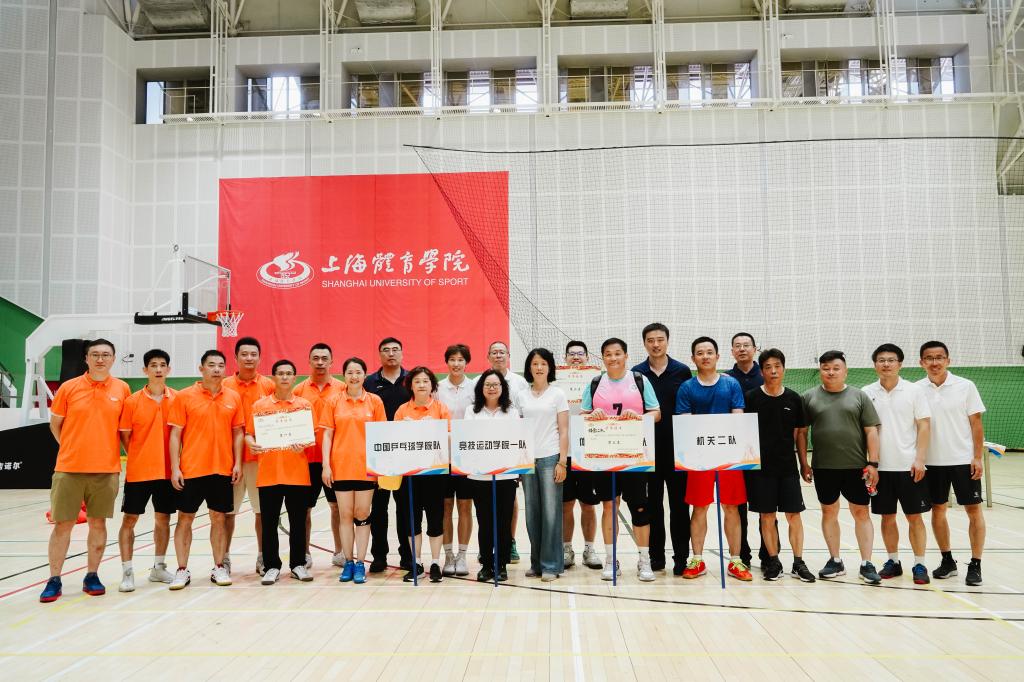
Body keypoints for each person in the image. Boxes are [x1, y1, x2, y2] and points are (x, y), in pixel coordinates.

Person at [39, 339, 131, 603]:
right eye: (95, 355)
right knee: (63, 525)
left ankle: (92, 575)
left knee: (98, 523)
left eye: (106, 355)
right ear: (86, 359)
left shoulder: (122, 389)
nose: (100, 359)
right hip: (69, 469)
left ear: (113, 359)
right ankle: (54, 579)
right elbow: (55, 425)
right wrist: (71, 447)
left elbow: (124, 430)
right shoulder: (68, 388)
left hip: (106, 470)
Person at [798, 350, 882, 584]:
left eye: (836, 368)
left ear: (845, 371)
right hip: (824, 467)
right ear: (820, 371)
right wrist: (804, 463)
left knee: (861, 512)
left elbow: (871, 431)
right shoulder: (808, 397)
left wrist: (873, 463)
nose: (831, 372)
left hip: (856, 467)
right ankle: (835, 560)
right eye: (826, 368)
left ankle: (867, 563)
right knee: (829, 511)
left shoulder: (859, 396)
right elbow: (802, 433)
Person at [582, 338, 661, 582]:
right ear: (603, 358)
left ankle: (644, 560)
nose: (613, 358)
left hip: (634, 455)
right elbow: (583, 415)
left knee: (639, 507)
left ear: (626, 356)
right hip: (604, 457)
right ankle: (611, 559)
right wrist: (592, 415)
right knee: (609, 506)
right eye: (608, 354)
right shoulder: (595, 383)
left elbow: (656, 413)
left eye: (617, 353)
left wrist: (638, 418)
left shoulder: (639, 380)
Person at [673, 337, 751, 581]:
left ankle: (736, 561)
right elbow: (685, 424)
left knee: (732, 507)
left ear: (717, 356)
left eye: (709, 352)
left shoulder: (731, 384)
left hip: (729, 457)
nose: (705, 356)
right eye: (700, 353)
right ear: (693, 358)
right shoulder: (687, 388)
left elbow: (738, 417)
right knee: (700, 507)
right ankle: (697, 560)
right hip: (699, 458)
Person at [167, 350, 244, 590]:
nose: (217, 369)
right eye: (211, 365)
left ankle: (219, 566)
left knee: (219, 518)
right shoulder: (184, 396)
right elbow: (175, 434)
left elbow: (238, 432)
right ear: (202, 369)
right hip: (191, 469)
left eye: (221, 365)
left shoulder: (233, 397)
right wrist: (175, 467)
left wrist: (238, 463)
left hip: (222, 469)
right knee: (185, 518)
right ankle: (182, 569)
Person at [742, 348, 815, 582]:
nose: (773, 371)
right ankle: (773, 561)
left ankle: (798, 562)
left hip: (788, 469)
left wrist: (804, 464)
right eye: (768, 367)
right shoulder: (751, 398)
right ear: (761, 371)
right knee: (767, 516)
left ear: (784, 369)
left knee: (794, 515)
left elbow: (801, 434)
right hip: (760, 470)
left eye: (777, 366)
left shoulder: (794, 398)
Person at [917, 341, 986, 586]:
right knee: (938, 510)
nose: (934, 362)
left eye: (939, 357)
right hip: (932, 463)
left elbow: (976, 424)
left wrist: (977, 457)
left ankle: (975, 564)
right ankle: (947, 560)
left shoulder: (965, 386)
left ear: (948, 360)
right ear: (921, 362)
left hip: (963, 461)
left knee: (973, 510)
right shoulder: (916, 390)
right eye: (929, 358)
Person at [863, 343, 932, 584]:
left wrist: (920, 459)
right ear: (875, 365)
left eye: (891, 360)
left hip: (909, 466)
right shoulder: (866, 392)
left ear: (900, 364)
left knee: (915, 517)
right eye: (881, 360)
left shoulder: (914, 391)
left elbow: (924, 425)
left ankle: (920, 564)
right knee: (887, 517)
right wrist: (870, 464)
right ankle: (893, 561)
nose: (886, 364)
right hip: (880, 468)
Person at [245, 359, 315, 585]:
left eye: (288, 373)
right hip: (269, 474)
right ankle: (271, 566)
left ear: (295, 377)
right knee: (268, 523)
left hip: (297, 475)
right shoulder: (260, 406)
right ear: (273, 377)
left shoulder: (304, 405)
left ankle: (298, 564)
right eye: (280, 373)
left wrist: (304, 444)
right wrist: (251, 443)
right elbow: (249, 434)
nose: (284, 377)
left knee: (298, 522)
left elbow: (310, 436)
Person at [632, 323, 692, 575]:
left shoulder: (682, 371)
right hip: (648, 451)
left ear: (667, 341)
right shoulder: (636, 374)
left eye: (660, 339)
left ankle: (682, 558)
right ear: (644, 343)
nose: (655, 344)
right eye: (650, 340)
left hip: (678, 451)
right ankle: (656, 557)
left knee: (680, 507)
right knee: (653, 505)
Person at [320, 357, 386, 585]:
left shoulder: (375, 401)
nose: (354, 376)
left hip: (366, 468)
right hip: (341, 467)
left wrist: (379, 468)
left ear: (365, 375)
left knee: (362, 513)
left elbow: (381, 437)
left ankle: (360, 562)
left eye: (358, 372)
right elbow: (327, 435)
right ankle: (348, 561)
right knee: (345, 515)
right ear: (344, 376)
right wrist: (326, 465)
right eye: (350, 372)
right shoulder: (333, 401)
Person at [116, 349, 178, 592]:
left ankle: (158, 568)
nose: (158, 369)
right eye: (153, 365)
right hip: (139, 472)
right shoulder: (131, 402)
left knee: (163, 519)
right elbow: (125, 437)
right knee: (129, 519)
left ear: (168, 369)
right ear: (145, 370)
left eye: (163, 365)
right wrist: (141, 455)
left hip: (167, 472)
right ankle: (127, 571)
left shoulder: (178, 399)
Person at [222, 336, 275, 576]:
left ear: (260, 357)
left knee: (261, 512)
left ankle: (263, 557)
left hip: (259, 460)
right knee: (227, 513)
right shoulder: (224, 385)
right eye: (244, 354)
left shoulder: (269, 386)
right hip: (229, 460)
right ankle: (223, 558)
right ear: (236, 357)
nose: (249, 358)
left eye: (253, 354)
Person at [394, 366, 452, 583]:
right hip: (410, 475)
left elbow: (449, 439)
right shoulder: (402, 411)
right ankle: (417, 562)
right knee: (413, 519)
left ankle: (435, 563)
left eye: (425, 381)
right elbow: (395, 442)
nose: (421, 385)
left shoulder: (441, 409)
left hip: (435, 474)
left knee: (435, 519)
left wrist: (435, 429)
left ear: (432, 385)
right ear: (410, 385)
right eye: (417, 381)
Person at [517, 347, 570, 581]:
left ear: (550, 367)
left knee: (551, 513)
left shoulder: (557, 394)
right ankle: (536, 563)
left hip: (551, 457)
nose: (539, 367)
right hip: (528, 459)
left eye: (543, 364)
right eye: (535, 363)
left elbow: (564, 430)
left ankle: (551, 564)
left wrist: (562, 462)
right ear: (529, 367)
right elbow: (517, 429)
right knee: (532, 513)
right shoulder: (521, 396)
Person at [464, 369, 520, 582]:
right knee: (485, 522)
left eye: (496, 384)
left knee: (504, 522)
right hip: (480, 476)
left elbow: (517, 440)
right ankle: (486, 564)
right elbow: (469, 439)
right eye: (488, 385)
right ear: (481, 388)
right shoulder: (472, 411)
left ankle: (502, 564)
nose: (492, 388)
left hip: (506, 475)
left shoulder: (511, 412)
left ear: (503, 388)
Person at [293, 342, 345, 569]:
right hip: (305, 460)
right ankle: (304, 554)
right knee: (305, 509)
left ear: (332, 361)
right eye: (316, 358)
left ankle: (340, 551)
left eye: (325, 358)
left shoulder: (342, 389)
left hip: (333, 460)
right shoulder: (298, 390)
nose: (320, 362)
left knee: (337, 507)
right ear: (309, 361)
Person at [366, 337, 413, 573]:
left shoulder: (412, 379)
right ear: (380, 354)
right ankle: (379, 556)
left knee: (405, 508)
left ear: (402, 353)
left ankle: (407, 555)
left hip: (406, 456)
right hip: (379, 456)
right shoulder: (369, 382)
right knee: (378, 509)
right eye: (386, 350)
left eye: (395, 349)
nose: (391, 353)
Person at [561, 340, 602, 570]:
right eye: (571, 354)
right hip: (563, 453)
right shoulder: (556, 382)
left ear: (587, 357)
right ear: (565, 358)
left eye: (580, 353)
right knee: (566, 505)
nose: (576, 357)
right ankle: (566, 549)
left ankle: (589, 549)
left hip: (589, 451)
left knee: (588, 504)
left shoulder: (596, 381)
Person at [437, 343, 477, 576]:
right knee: (445, 506)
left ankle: (462, 555)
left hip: (466, 457)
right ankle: (448, 555)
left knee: (464, 506)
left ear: (466, 363)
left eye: (460, 359)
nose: (456, 364)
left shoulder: (474, 388)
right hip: (442, 458)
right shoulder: (437, 388)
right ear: (447, 362)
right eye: (452, 359)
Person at [488, 340, 529, 563]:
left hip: (511, 450)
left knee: (510, 498)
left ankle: (509, 542)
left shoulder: (520, 383)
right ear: (488, 357)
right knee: (486, 502)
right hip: (486, 450)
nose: (498, 356)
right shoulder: (480, 382)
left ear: (509, 356)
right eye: (494, 352)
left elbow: (523, 417)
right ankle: (489, 545)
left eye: (502, 352)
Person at [727, 332, 763, 567]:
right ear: (732, 352)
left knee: (765, 507)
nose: (742, 349)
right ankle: (742, 555)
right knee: (737, 507)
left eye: (746, 345)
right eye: (737, 346)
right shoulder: (726, 379)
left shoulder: (766, 374)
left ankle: (769, 555)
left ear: (755, 349)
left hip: (762, 450)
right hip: (735, 452)